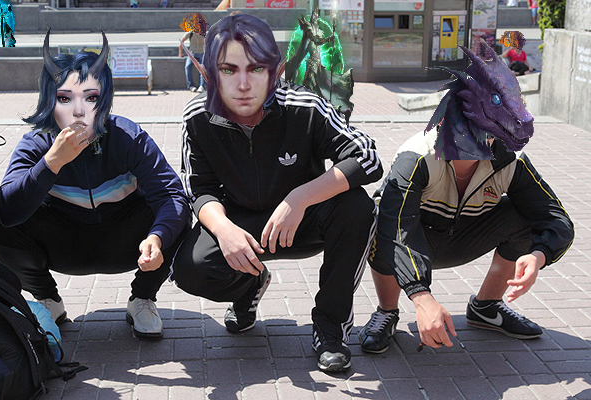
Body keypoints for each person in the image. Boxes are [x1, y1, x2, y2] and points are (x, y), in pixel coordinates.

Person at [170, 13, 383, 372]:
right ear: (209, 72)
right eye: (228, 69)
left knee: (357, 207)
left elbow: (368, 158)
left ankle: (330, 328)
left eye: (255, 69)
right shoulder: (197, 115)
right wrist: (223, 230)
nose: (243, 84)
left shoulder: (305, 106)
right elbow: (198, 189)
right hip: (241, 223)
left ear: (275, 69)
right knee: (190, 267)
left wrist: (299, 198)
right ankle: (249, 286)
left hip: (304, 220)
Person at [0, 31, 190, 338]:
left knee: (178, 213)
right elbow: (7, 211)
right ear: (49, 101)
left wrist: (157, 237)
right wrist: (51, 162)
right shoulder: (37, 143)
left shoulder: (127, 137)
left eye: (91, 97)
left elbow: (171, 195)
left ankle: (142, 298)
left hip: (126, 243)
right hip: (65, 243)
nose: (79, 110)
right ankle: (48, 300)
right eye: (64, 98)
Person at [358, 121, 574, 354]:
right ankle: (387, 312)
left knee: (525, 215)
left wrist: (538, 256)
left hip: (465, 236)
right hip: (416, 240)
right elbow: (398, 228)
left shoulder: (510, 159)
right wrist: (421, 296)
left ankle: (487, 306)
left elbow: (556, 219)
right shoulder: (416, 155)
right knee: (381, 221)